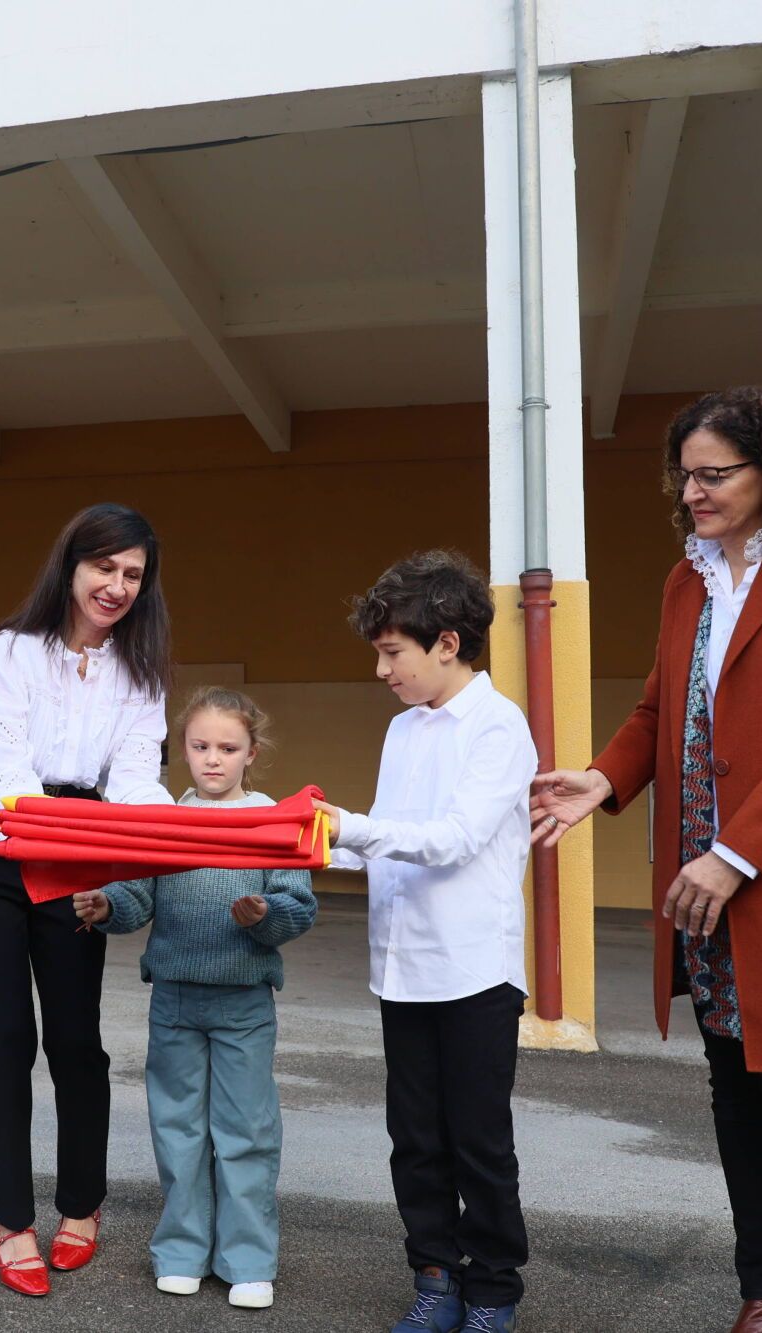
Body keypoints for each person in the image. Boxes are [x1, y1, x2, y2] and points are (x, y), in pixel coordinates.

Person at [531, 387, 762, 1333]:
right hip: (703, 883)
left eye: (712, 474)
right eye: (683, 476)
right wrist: (605, 783)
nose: (691, 492)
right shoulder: (686, 580)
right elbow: (660, 712)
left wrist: (732, 855)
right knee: (733, 1090)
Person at [0, 502, 174, 1297]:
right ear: (70, 566)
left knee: (76, 1037)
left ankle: (82, 1204)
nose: (116, 586)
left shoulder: (141, 671)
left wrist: (168, 832)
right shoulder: (6, 650)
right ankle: (12, 1219)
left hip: (76, 847)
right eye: (103, 568)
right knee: (2, 1033)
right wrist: (58, 831)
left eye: (132, 575)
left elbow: (139, 776)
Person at [313, 550, 537, 1333]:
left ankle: (494, 1290)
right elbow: (382, 837)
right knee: (413, 1139)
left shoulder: (500, 727)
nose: (382, 670)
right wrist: (301, 843)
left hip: (473, 969)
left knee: (478, 1140)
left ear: (447, 641)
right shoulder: (404, 729)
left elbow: (451, 838)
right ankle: (435, 1277)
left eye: (391, 651)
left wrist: (351, 826)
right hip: (401, 968)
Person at [72, 687, 317, 1312]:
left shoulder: (274, 822)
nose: (213, 759)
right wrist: (107, 906)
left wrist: (265, 914)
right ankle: (181, 1251)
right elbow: (138, 897)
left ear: (250, 754)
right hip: (175, 999)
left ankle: (248, 1261)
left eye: (227, 748)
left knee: (246, 1132)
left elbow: (298, 908)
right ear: (182, 750)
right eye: (200, 746)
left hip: (244, 1004)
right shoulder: (165, 820)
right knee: (177, 1130)